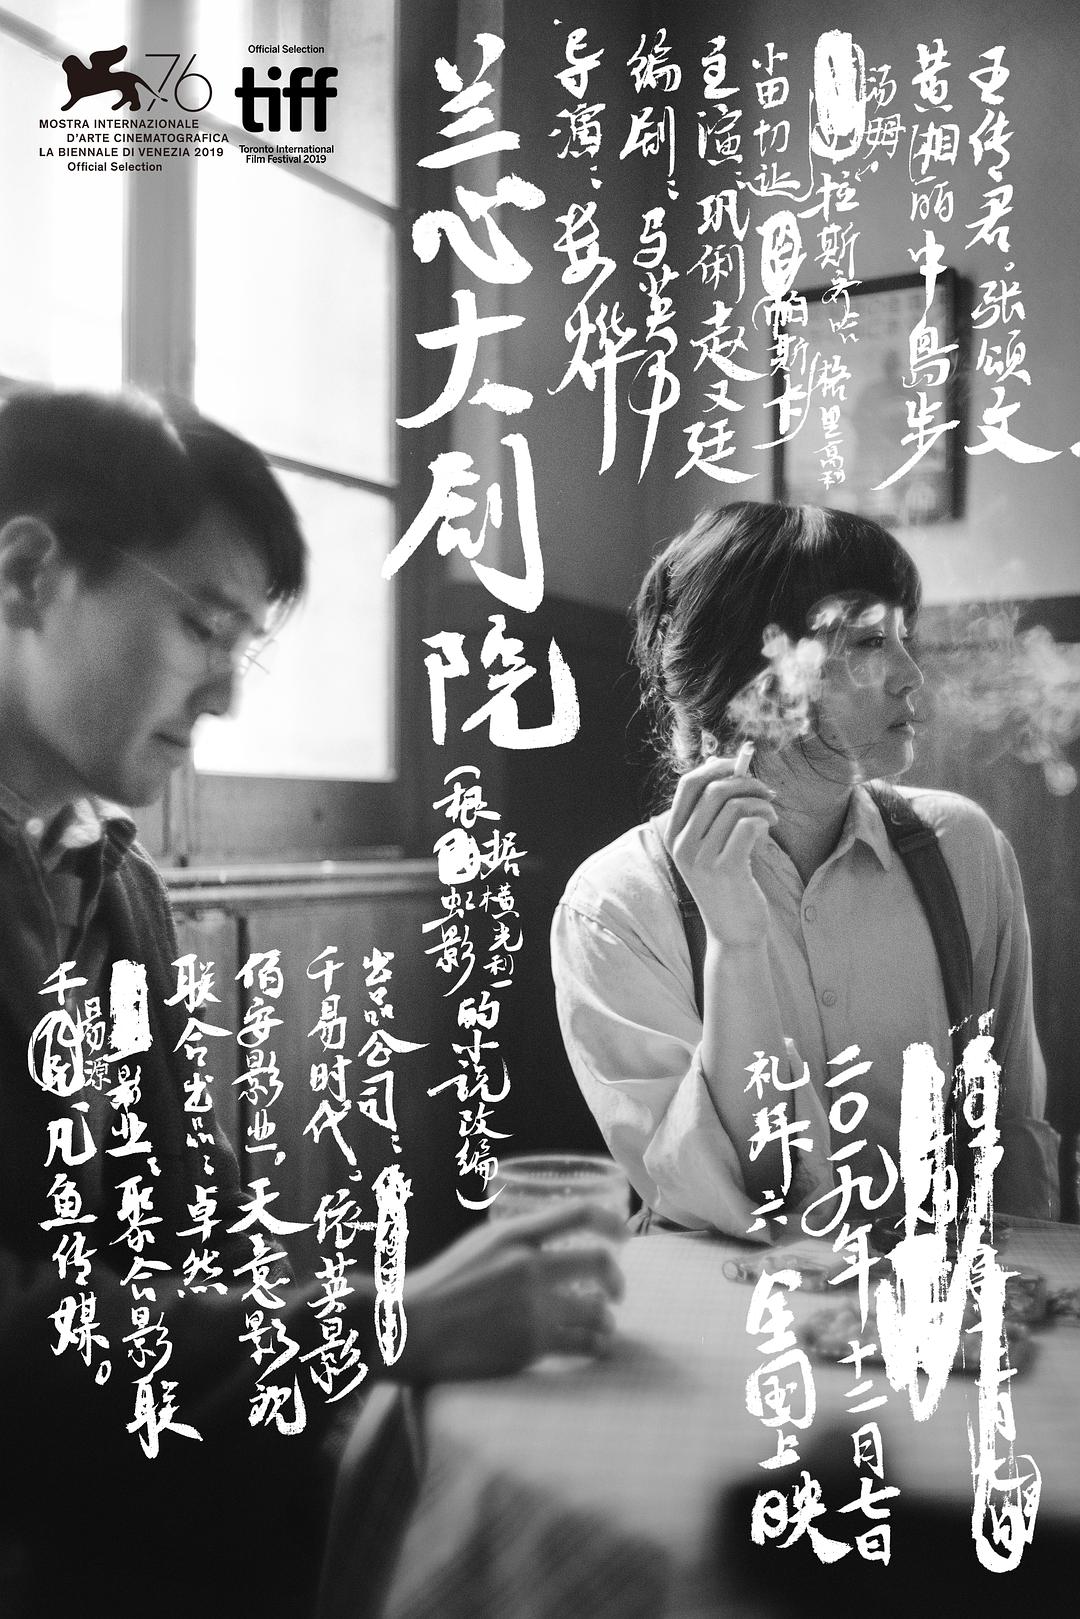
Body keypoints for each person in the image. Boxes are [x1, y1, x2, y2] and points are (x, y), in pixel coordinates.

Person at [0, 388, 623, 1618]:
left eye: (244, 646)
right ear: (29, 572)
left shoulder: (111, 875)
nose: (225, 696)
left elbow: (196, 1218)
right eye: (201, 624)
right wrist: (377, 1325)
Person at [552, 501, 1059, 1238]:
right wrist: (735, 943)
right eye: (869, 641)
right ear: (762, 678)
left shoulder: (961, 848)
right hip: (730, 1298)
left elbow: (1008, 1131)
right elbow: (726, 1196)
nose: (912, 676)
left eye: (905, 638)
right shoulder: (615, 905)